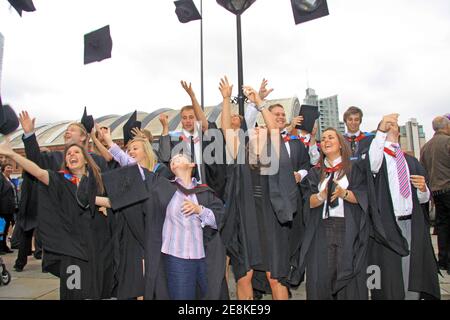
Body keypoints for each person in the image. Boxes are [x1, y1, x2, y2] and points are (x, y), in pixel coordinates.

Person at [98, 153, 227, 300]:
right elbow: (136, 170)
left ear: (192, 164)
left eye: (180, 157)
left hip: (204, 258)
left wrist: (200, 210)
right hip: (177, 259)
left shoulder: (205, 192)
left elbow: (218, 220)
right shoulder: (163, 187)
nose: (174, 159)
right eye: (172, 160)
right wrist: (111, 146)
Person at [13, 111, 114, 298]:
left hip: (97, 241)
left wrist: (103, 204)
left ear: (84, 137)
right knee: (72, 289)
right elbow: (35, 166)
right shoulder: (56, 164)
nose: (67, 133)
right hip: (70, 243)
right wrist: (28, 135)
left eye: (72, 130)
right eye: (66, 131)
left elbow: (112, 196)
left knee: (97, 288)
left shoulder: (98, 165)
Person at [220, 77, 297, 300]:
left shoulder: (273, 155)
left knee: (275, 278)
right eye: (254, 129)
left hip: (270, 221)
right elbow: (226, 128)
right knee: (244, 276)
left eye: (260, 129)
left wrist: (260, 102)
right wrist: (226, 99)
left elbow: (273, 127)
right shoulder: (241, 155)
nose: (255, 130)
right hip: (245, 221)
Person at [368, 114, 440, 299]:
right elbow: (372, 164)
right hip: (388, 225)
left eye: (395, 125)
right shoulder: (379, 158)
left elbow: (423, 200)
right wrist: (381, 131)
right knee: (389, 276)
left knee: (412, 274)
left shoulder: (410, 161)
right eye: (389, 125)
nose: (394, 127)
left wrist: (423, 189)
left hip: (411, 223)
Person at [298, 127, 370, 300]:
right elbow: (307, 201)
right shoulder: (316, 172)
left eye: (331, 137)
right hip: (321, 230)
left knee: (348, 279)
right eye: (323, 139)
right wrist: (322, 196)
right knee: (321, 276)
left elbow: (363, 196)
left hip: (348, 228)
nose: (326, 141)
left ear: (340, 144)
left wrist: (342, 193)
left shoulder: (354, 169)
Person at [420, 116, 450, 274]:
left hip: (435, 191)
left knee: (442, 225)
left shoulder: (426, 147)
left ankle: (443, 260)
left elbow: (422, 170)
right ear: (446, 126)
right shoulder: (447, 141)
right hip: (448, 187)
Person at [0, 162, 18, 254]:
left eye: (11, 168)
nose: (10, 169)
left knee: (6, 228)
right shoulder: (1, 178)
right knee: (1, 229)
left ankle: (4, 246)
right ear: (3, 168)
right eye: (8, 167)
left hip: (10, 208)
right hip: (2, 208)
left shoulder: (9, 179)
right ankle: (0, 247)